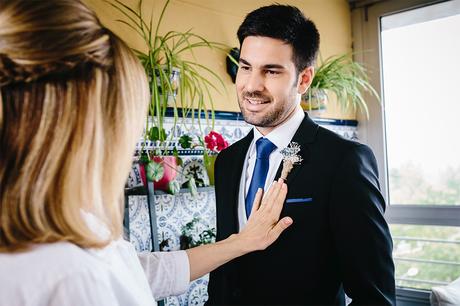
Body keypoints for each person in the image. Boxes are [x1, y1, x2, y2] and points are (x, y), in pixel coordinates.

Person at [0, 1, 293, 305]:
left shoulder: (73, 232)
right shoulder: (72, 277)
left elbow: (138, 272)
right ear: (84, 132)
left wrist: (241, 242)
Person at [207, 4, 396, 306]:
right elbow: (226, 270)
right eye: (245, 67)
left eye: (271, 71)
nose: (251, 85)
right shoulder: (228, 161)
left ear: (304, 79)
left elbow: (374, 297)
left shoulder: (344, 161)